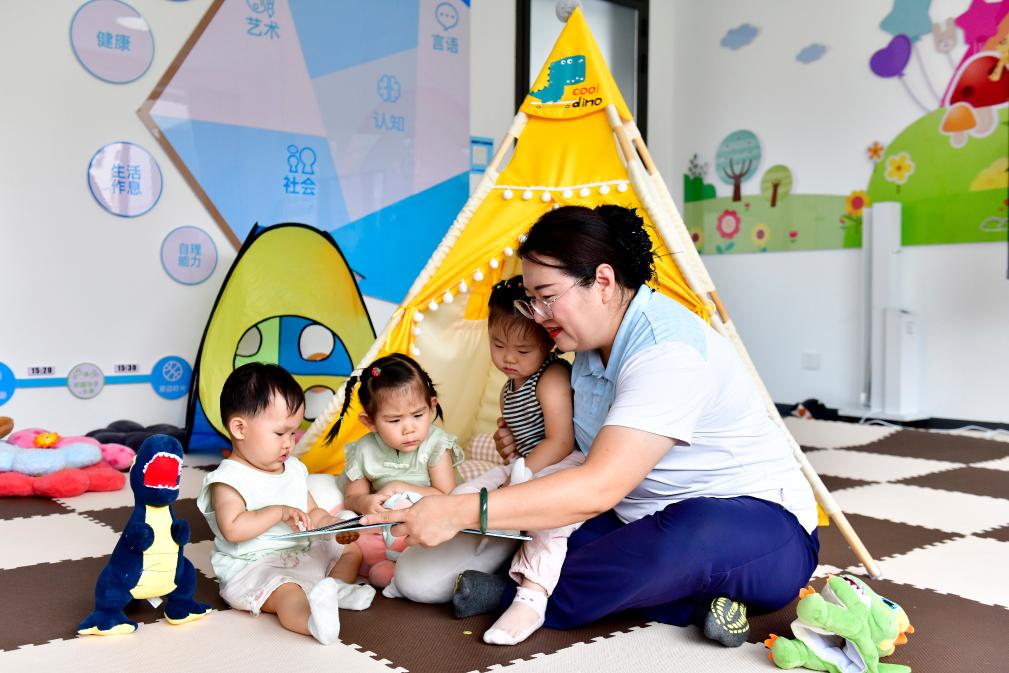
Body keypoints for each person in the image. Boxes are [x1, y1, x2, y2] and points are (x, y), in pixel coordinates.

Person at [362, 205, 820, 647]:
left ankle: (512, 596)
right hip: (636, 517)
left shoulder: (665, 351)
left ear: (602, 281)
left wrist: (458, 511)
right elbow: (578, 455)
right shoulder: (585, 351)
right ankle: (698, 602)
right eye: (531, 300)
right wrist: (520, 450)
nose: (538, 315)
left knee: (686, 535)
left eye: (547, 297)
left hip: (759, 525)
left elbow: (599, 485)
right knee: (548, 542)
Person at [197, 363, 375, 646]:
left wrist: (333, 526)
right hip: (254, 568)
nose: (289, 443)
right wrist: (278, 512)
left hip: (299, 554)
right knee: (288, 592)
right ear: (240, 428)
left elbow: (313, 512)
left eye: (293, 433)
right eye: (280, 433)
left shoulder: (293, 468)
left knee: (350, 550)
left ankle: (337, 590)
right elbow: (233, 529)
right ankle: (312, 622)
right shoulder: (229, 479)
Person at [453, 275, 585, 645]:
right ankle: (452, 545)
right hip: (528, 463)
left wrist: (517, 479)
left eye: (523, 350)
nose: (508, 358)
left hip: (562, 461)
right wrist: (512, 462)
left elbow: (560, 441)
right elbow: (517, 446)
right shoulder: (509, 388)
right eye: (498, 345)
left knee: (546, 513)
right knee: (466, 492)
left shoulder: (551, 376)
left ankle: (531, 594)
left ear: (548, 343)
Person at [331, 353, 464, 515]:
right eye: (394, 420)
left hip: (431, 517)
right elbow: (352, 497)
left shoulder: (436, 444)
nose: (409, 429)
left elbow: (446, 495)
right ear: (370, 422)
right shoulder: (365, 450)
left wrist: (398, 488)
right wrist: (364, 502)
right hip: (388, 519)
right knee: (345, 516)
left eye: (417, 415)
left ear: (431, 406)